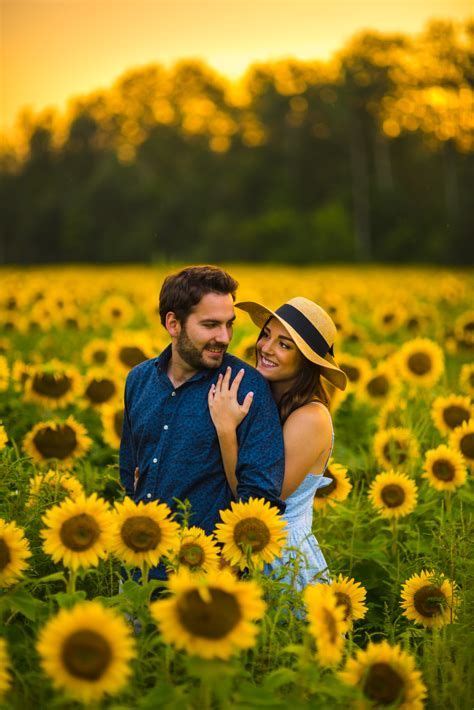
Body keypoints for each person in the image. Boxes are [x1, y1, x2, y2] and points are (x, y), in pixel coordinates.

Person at [119, 265, 285, 580]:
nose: (223, 338)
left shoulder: (246, 388)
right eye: (210, 325)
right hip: (137, 573)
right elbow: (130, 473)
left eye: (228, 325)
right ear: (173, 323)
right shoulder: (138, 380)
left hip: (205, 578)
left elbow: (261, 501)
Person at [208, 296, 347, 589]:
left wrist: (225, 431)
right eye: (266, 335)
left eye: (284, 345)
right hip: (240, 545)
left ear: (308, 361)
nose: (266, 348)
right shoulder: (262, 395)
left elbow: (258, 501)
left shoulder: (311, 417)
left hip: (282, 558)